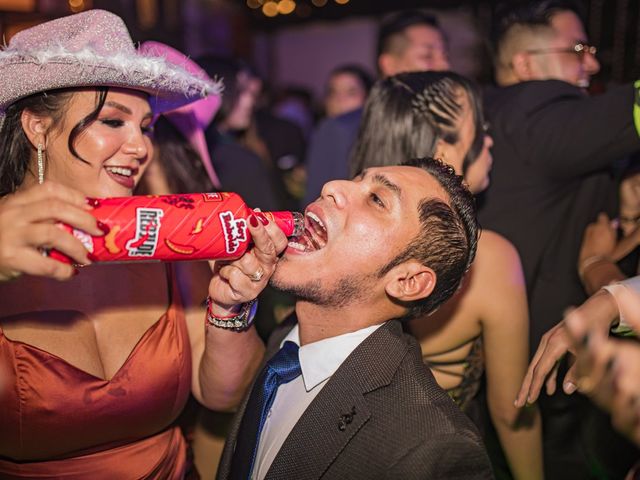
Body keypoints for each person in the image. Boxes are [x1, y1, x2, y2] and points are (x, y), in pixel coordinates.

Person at [0, 10, 282, 478]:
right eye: (114, 122)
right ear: (37, 128)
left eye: (145, 126)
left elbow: (222, 396)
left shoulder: (167, 241)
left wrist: (230, 308)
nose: (140, 147)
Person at [213, 157, 494, 479]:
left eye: (377, 200)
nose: (332, 186)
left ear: (406, 282)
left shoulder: (434, 449)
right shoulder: (287, 339)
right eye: (356, 179)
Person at [350, 71, 542, 480]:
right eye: (480, 130)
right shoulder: (490, 259)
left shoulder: (349, 241)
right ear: (442, 153)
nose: (489, 142)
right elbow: (512, 412)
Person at [481, 1, 640, 477]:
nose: (590, 63)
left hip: (516, 363)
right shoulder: (537, 106)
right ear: (526, 64)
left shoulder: (497, 114)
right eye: (576, 50)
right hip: (548, 377)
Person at [303, 9, 450, 206]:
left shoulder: (447, 126)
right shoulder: (342, 130)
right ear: (389, 64)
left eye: (444, 55)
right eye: (427, 56)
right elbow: (317, 210)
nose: (443, 65)